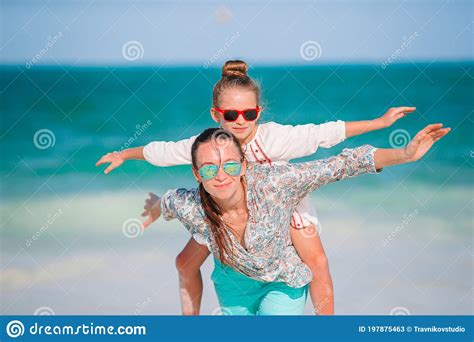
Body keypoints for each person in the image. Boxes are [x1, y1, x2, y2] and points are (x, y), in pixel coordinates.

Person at [96, 60, 417, 315]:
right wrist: (124, 153)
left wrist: (380, 123)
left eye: (248, 114)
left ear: (258, 113)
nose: (240, 120)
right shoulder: (208, 145)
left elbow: (326, 134)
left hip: (285, 206)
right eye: (230, 114)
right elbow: (163, 152)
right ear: (215, 115)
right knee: (185, 260)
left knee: (315, 259)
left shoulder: (275, 137)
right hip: (226, 211)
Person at [141, 123, 449, 315]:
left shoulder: (275, 183)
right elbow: (166, 202)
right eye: (208, 169)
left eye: (230, 165)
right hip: (232, 286)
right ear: (197, 174)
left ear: (244, 165)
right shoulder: (192, 205)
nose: (221, 175)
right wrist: (152, 209)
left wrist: (405, 155)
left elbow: (341, 164)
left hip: (283, 281)